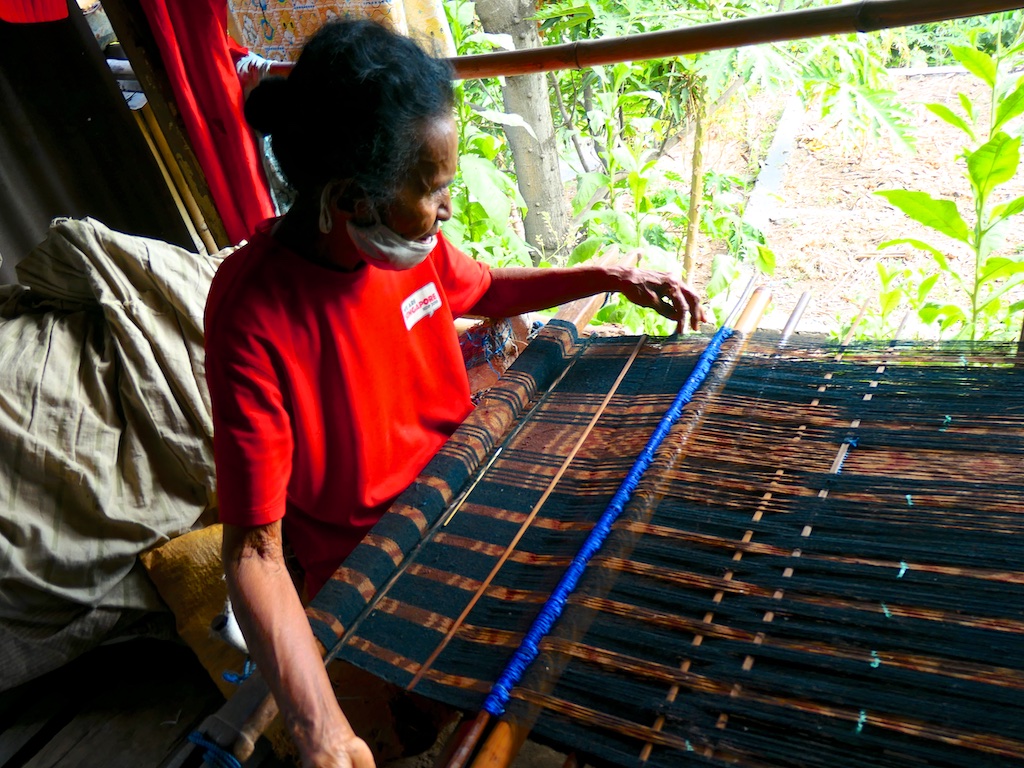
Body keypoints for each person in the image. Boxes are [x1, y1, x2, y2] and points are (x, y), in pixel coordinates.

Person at [204, 19, 705, 768]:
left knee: (647, 561)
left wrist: (607, 275)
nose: (446, 211)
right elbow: (253, 551)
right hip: (376, 561)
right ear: (353, 199)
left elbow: (485, 288)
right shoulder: (253, 312)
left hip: (471, 482)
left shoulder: (409, 249)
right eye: (433, 190)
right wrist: (319, 729)